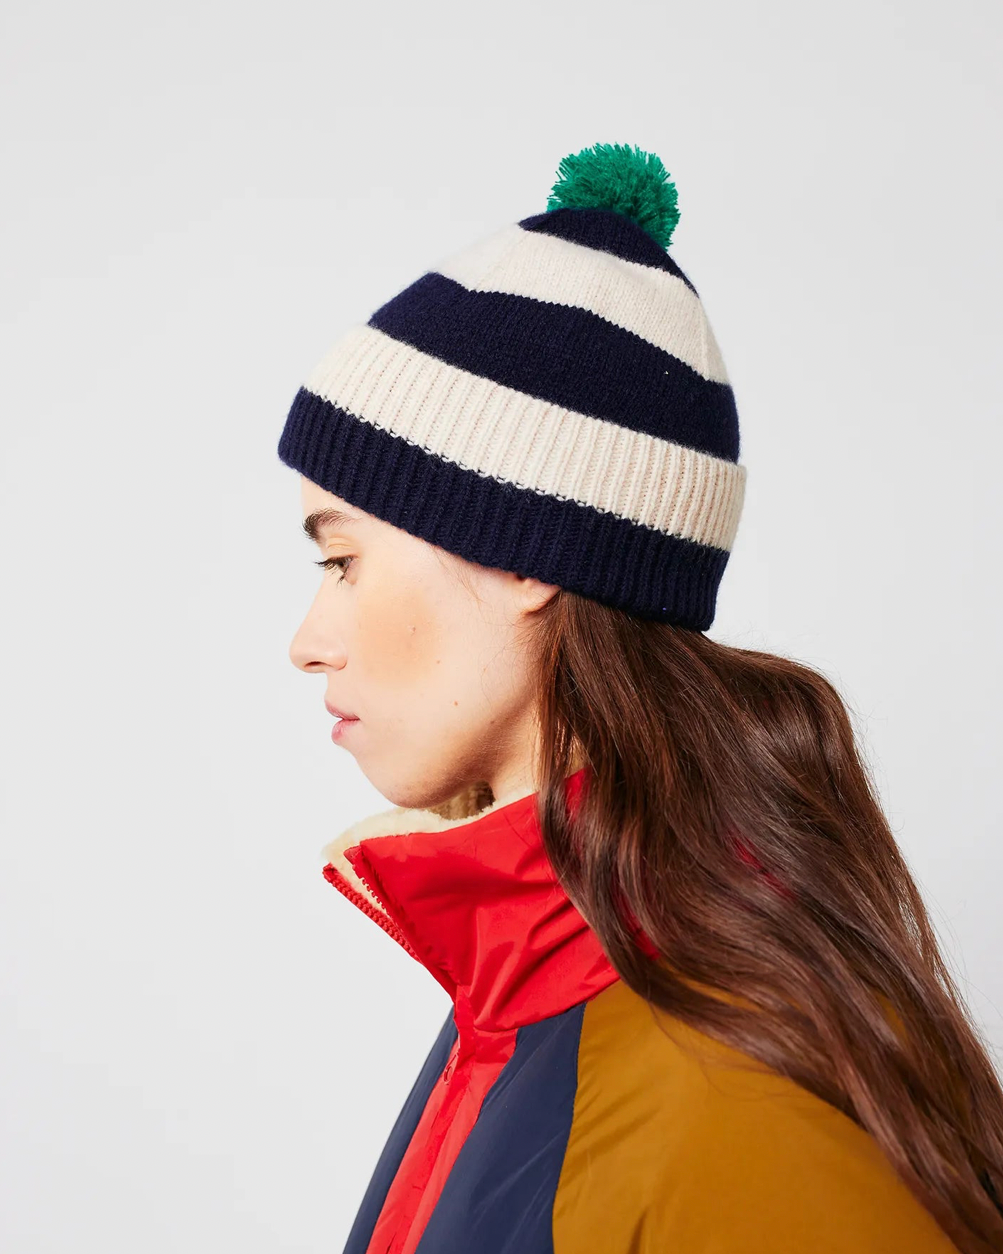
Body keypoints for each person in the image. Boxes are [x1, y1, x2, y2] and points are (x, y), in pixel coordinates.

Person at [277, 142, 1003, 1254]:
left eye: (342, 561)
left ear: (517, 552)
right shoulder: (525, 991)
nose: (307, 643)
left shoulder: (731, 1094)